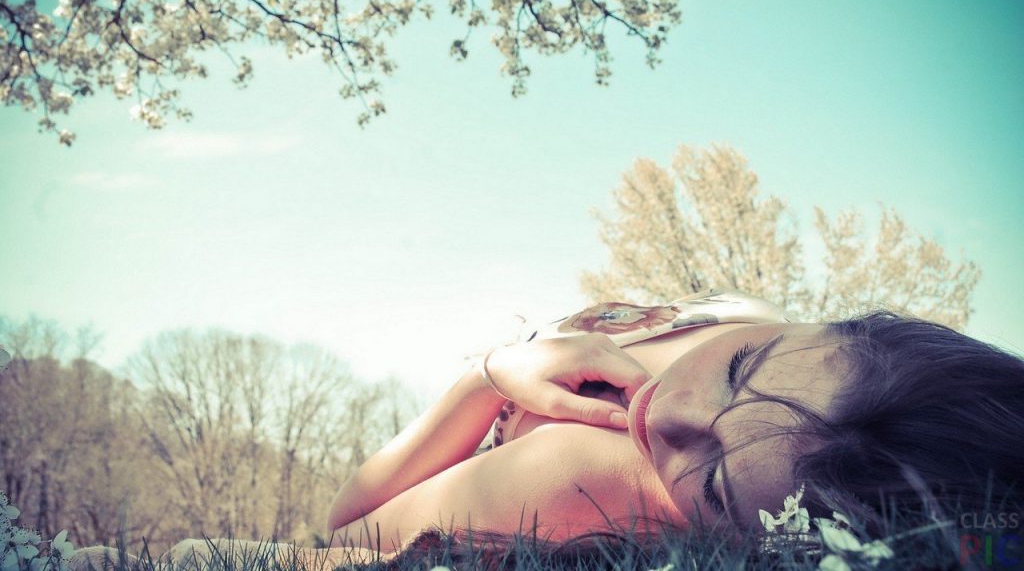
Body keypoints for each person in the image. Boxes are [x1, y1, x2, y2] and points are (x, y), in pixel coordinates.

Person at [320, 289, 1024, 561]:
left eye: (715, 482)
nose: (667, 416)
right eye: (740, 369)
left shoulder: (574, 476)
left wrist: (488, 377)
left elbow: (345, 532)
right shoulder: (750, 315)